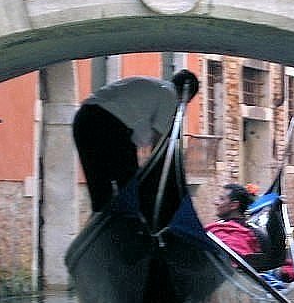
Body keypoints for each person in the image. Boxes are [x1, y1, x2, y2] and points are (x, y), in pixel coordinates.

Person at [72, 69, 199, 211]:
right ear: (186, 97)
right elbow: (159, 146)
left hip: (83, 119)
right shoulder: (171, 95)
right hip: (109, 123)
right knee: (129, 187)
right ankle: (129, 226)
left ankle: (106, 225)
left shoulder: (155, 88)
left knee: (100, 190)